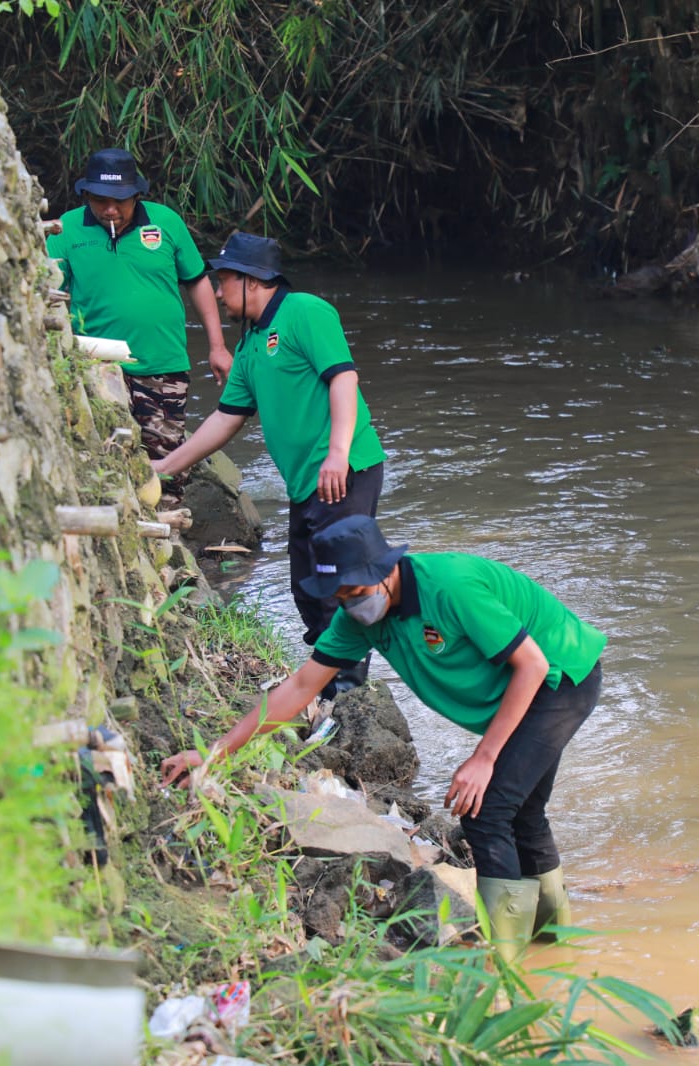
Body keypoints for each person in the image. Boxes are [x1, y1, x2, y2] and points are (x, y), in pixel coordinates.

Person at [160, 515, 606, 962]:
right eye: (340, 597)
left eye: (356, 593)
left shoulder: (450, 587)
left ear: (387, 570)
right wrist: (213, 753)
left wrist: (483, 758)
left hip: (559, 679)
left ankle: (505, 964)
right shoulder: (359, 617)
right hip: (521, 688)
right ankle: (552, 945)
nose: (351, 606)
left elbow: (533, 666)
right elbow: (299, 689)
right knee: (522, 812)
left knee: (488, 810)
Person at [153, 233, 386, 698]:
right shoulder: (251, 345)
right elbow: (226, 418)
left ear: (253, 281)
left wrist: (337, 453)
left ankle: (353, 693)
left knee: (342, 583)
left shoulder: (306, 311)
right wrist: (163, 467)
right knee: (307, 586)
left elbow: (343, 378)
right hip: (306, 482)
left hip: (347, 468)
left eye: (224, 281)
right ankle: (328, 682)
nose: (217, 293)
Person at [46, 148, 231, 461]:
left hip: (163, 366)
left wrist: (217, 346)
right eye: (101, 200)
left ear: (137, 196)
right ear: (86, 194)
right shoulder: (65, 230)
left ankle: (169, 509)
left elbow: (197, 281)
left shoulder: (166, 222)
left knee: (168, 463)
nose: (110, 210)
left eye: (119, 201)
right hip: (97, 366)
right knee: (106, 458)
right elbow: (48, 293)